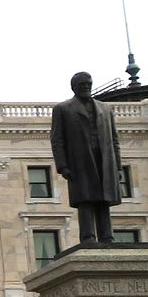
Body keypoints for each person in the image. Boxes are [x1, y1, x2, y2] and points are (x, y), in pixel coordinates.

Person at [49, 70, 124, 247]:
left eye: (88, 84)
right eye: (82, 85)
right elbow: (57, 139)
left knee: (104, 199)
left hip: (105, 160)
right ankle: (88, 236)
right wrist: (63, 166)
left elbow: (114, 140)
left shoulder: (105, 109)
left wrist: (118, 167)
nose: (86, 87)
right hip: (80, 161)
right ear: (74, 87)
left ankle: (107, 236)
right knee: (86, 199)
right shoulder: (62, 109)